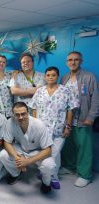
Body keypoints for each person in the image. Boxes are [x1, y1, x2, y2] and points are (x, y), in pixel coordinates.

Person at [29, 66, 78, 189]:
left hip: (59, 129)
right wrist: (34, 125)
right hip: (42, 129)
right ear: (45, 77)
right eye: (48, 75)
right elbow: (34, 107)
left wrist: (68, 126)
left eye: (53, 75)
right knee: (45, 153)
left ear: (57, 76)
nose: (50, 77)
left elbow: (70, 110)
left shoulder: (65, 91)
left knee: (54, 153)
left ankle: (52, 177)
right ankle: (47, 173)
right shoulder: (40, 91)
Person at [60, 51, 99, 187]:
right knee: (68, 145)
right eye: (70, 60)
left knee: (84, 148)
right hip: (67, 120)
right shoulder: (64, 78)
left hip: (83, 119)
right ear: (66, 62)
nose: (73, 62)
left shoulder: (89, 77)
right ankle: (69, 167)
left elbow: (95, 99)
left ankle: (85, 175)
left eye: (76, 60)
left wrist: (91, 117)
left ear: (81, 61)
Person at [0, 102, 56, 194]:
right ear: (13, 115)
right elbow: (7, 142)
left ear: (28, 113)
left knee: (49, 165)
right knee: (3, 155)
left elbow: (48, 150)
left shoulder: (39, 125)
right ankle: (16, 174)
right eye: (17, 115)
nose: (20, 117)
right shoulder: (10, 122)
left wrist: (27, 162)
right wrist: (18, 159)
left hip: (37, 151)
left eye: (23, 114)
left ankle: (46, 183)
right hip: (21, 149)